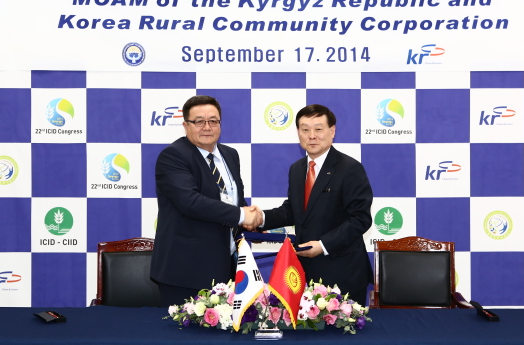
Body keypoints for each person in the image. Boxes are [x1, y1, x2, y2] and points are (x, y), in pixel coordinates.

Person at [151, 95, 262, 307]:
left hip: (226, 266)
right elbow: (190, 202)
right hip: (186, 271)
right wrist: (241, 215)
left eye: (213, 120)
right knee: (184, 338)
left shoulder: (230, 154)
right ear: (185, 125)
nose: (207, 127)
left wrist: (250, 218)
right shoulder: (173, 156)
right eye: (199, 121)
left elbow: (231, 199)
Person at [261, 104, 373, 305]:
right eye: (305, 130)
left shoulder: (350, 168)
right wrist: (259, 219)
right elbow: (292, 210)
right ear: (298, 133)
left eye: (318, 129)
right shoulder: (297, 169)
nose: (311, 135)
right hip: (304, 273)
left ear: (332, 131)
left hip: (342, 273)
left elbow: (360, 219)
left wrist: (323, 245)